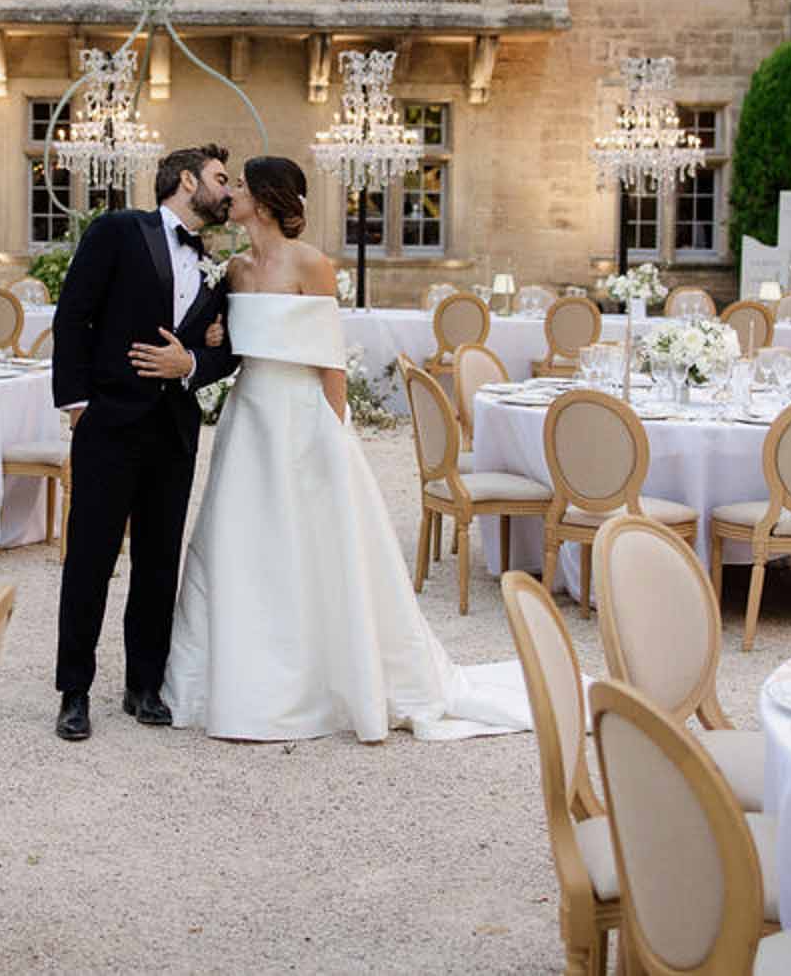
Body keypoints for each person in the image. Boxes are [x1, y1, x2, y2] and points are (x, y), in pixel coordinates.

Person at [161, 155, 530, 742]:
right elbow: (225, 345)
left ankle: (323, 677)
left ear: (266, 198)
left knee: (314, 543)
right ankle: (233, 677)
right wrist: (209, 338)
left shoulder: (312, 265)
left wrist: (335, 434)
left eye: (241, 187)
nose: (229, 194)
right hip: (248, 416)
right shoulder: (231, 269)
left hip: (302, 417)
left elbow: (329, 361)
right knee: (237, 541)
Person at [50, 144, 241, 741]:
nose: (229, 188)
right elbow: (73, 314)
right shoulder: (118, 231)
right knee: (91, 557)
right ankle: (74, 691)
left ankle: (143, 686)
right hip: (108, 422)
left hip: (173, 429)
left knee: (159, 561)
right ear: (186, 181)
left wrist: (191, 363)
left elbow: (227, 349)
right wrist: (77, 404)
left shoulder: (217, 265)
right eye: (219, 178)